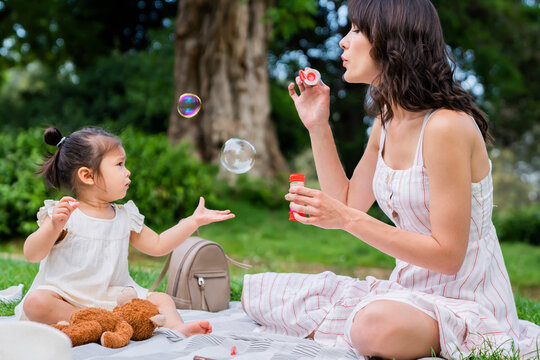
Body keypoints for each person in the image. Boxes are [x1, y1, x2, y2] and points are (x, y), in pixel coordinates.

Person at [241, 0, 540, 359]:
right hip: (405, 293)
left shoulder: (446, 127)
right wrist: (317, 125)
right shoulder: (386, 121)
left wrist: (348, 219)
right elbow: (350, 202)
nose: (343, 42)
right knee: (262, 294)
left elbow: (448, 256)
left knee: (375, 326)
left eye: (355, 30)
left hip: (464, 302)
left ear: (390, 42)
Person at [15, 126, 235, 338]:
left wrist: (192, 222)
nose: (127, 171)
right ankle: (107, 323)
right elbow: (31, 254)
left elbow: (158, 245)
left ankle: (175, 329)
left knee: (162, 300)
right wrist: (53, 227)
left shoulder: (124, 216)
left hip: (115, 300)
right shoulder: (64, 215)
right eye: (119, 164)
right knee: (36, 302)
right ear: (88, 176)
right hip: (67, 300)